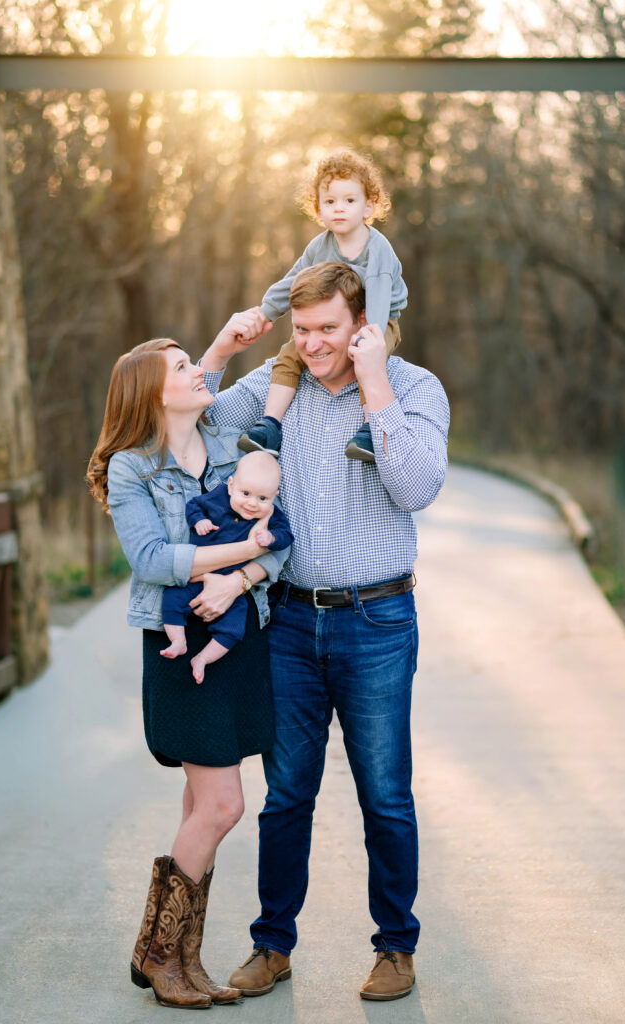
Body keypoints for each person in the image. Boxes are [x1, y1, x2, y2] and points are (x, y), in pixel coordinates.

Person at [199, 262, 450, 1002]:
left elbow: (415, 487)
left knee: (385, 795)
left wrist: (374, 386)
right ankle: (271, 945)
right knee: (286, 796)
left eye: (327, 331)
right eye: (302, 330)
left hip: (377, 620)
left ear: (363, 324)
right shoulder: (282, 390)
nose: (310, 345)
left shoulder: (412, 388)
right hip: (286, 622)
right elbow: (193, 420)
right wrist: (217, 352)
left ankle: (394, 948)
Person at [86, 329, 290, 1010]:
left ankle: (183, 958)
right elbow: (151, 560)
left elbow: (279, 538)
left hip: (237, 637)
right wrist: (234, 558)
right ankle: (157, 951)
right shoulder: (129, 468)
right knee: (225, 804)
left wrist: (244, 575)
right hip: (178, 646)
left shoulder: (232, 450)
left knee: (201, 806)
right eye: (182, 366)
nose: (197, 371)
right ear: (153, 392)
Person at [237, 150, 408, 463]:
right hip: (334, 322)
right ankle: (270, 425)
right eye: (330, 202)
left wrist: (372, 338)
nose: (339, 209)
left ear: (369, 205)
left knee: (366, 358)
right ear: (318, 208)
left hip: (379, 320)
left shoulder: (377, 248)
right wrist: (265, 312)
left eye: (349, 201)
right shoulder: (320, 246)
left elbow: (381, 295)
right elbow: (294, 280)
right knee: (289, 354)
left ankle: (370, 430)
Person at [160, 450, 294, 682]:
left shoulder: (273, 515)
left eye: (263, 498)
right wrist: (199, 520)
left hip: (232, 583)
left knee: (234, 629)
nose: (252, 503)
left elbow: (286, 536)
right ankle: (178, 640)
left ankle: (202, 658)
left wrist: (271, 538)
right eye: (246, 493)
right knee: (172, 599)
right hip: (198, 574)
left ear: (274, 496)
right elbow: (194, 505)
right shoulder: (217, 497)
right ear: (231, 485)